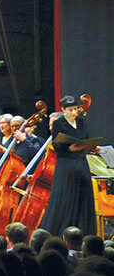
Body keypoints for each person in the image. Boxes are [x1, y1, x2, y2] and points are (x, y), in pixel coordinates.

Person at [39, 95, 96, 235]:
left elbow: (86, 138)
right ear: (63, 110)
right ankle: (60, 232)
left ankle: (84, 232)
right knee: (65, 195)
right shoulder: (59, 124)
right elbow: (57, 145)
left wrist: (87, 146)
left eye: (75, 109)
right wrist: (69, 148)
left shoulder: (82, 122)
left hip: (81, 161)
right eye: (70, 110)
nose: (74, 113)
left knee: (84, 195)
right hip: (66, 163)